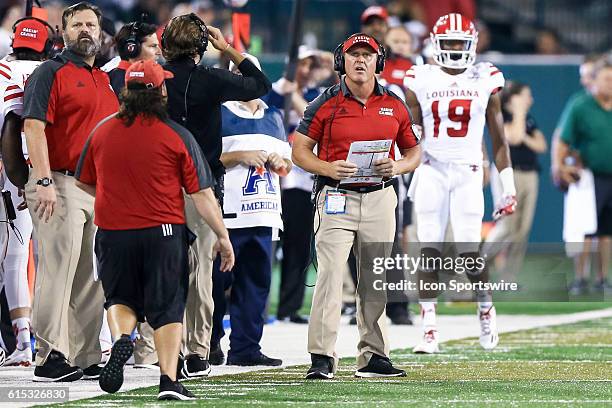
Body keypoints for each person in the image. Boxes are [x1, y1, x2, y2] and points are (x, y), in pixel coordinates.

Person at [75, 59, 234, 401]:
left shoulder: (102, 131)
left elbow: (85, 181)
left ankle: (121, 339)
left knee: (120, 298)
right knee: (167, 306)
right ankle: (168, 380)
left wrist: (115, 199)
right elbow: (202, 194)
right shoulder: (176, 135)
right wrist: (222, 236)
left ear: (126, 92)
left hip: (113, 232)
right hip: (162, 232)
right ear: (161, 91)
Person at [293, 33, 421, 379]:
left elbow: (414, 152)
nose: (360, 61)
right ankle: (322, 355)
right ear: (342, 62)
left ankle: (374, 355)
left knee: (375, 277)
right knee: (330, 277)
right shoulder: (325, 103)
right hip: (336, 196)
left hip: (380, 195)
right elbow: (299, 150)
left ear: (379, 62)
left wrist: (398, 166)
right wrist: (326, 167)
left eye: (367, 55)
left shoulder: (394, 103)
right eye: (354, 55)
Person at [161, 12, 271, 378]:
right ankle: (197, 350)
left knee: (165, 270)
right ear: (201, 47)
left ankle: (165, 349)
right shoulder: (210, 79)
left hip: (159, 186)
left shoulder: (151, 81)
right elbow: (259, 84)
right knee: (201, 273)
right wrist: (228, 48)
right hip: (203, 186)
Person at [405, 13, 516, 354]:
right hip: (431, 169)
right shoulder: (419, 78)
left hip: (468, 170)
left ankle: (485, 307)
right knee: (429, 250)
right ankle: (428, 326)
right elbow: (411, 132)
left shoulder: (486, 77)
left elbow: (498, 139)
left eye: (460, 43)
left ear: (471, 45)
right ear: (435, 45)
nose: (454, 49)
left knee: (470, 252)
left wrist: (507, 187)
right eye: (448, 42)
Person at [22, 2, 119, 381]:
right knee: (57, 272)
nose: (84, 30)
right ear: (63, 32)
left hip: (98, 188)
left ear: (100, 31)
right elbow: (33, 127)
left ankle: (85, 353)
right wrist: (44, 181)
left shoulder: (104, 79)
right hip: (59, 182)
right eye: (76, 24)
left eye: (90, 24)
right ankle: (49, 356)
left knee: (91, 278)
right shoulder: (51, 71)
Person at [210, 53, 291, 366]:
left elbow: (286, 163)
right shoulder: (219, 112)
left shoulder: (274, 117)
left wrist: (280, 162)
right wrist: (240, 155)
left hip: (265, 212)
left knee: (256, 285)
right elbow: (206, 158)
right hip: (227, 213)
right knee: (217, 285)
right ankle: (209, 341)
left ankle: (246, 349)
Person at [0, 16, 54, 367]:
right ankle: (25, 339)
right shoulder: (52, 72)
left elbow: (9, 125)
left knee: (11, 255)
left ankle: (20, 341)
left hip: (11, 170)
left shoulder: (3, 71)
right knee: (28, 256)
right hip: (47, 171)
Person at [262, 46, 321, 325]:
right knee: (266, 246)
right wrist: (284, 88)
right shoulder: (274, 92)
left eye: (312, 65)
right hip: (269, 181)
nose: (307, 71)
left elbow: (314, 118)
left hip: (300, 181)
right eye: (303, 64)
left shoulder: (313, 97)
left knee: (298, 246)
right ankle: (256, 306)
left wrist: (293, 92)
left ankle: (289, 307)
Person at [554, 55, 612, 291]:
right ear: (594, 80)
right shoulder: (580, 105)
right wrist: (559, 165)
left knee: (608, 232)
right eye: (607, 79)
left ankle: (602, 278)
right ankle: (580, 278)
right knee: (586, 229)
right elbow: (562, 139)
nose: (610, 83)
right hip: (589, 176)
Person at [483, 82, 547, 278]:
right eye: (526, 96)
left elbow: (541, 145)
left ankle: (509, 278)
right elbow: (515, 137)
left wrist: (526, 133)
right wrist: (518, 112)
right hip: (508, 175)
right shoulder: (502, 115)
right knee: (507, 226)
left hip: (530, 174)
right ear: (514, 99)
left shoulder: (528, 119)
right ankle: (476, 265)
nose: (530, 100)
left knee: (522, 230)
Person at [107, 21, 160, 96]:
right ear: (132, 49)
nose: (159, 52)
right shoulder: (133, 85)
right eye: (153, 46)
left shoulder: (111, 77)